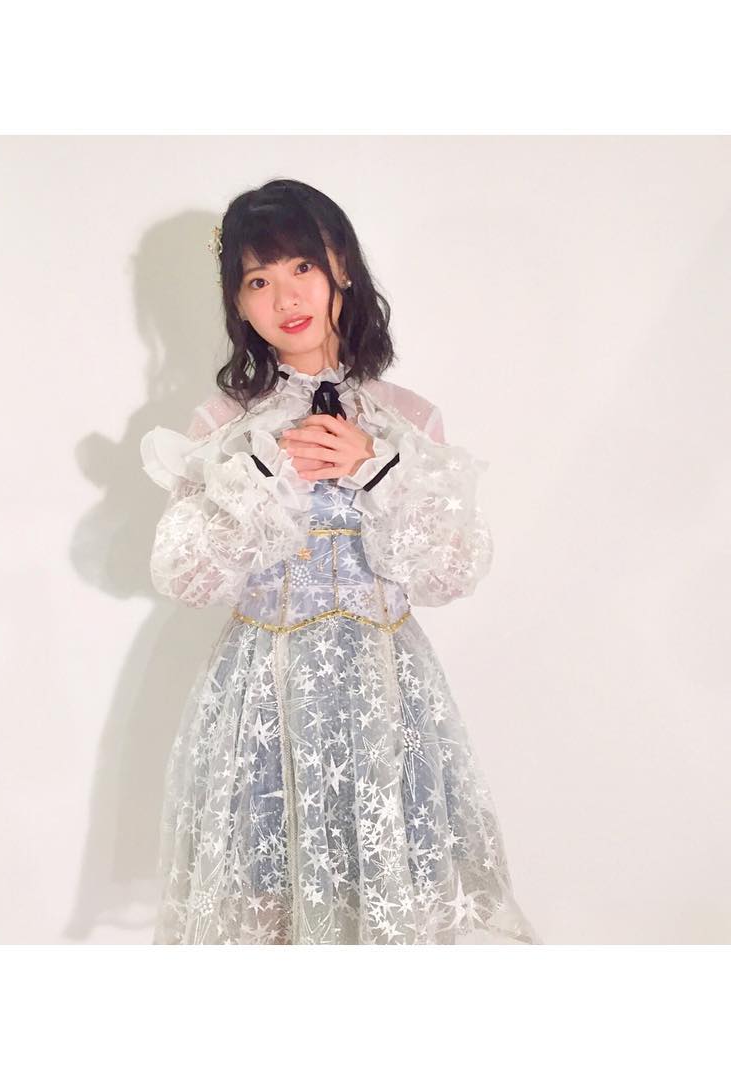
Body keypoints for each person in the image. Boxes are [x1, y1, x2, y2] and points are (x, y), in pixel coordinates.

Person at [139, 178, 540, 945]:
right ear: (238, 303)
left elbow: (452, 571)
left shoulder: (406, 417)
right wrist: (260, 473)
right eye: (257, 280)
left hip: (386, 702)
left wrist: (377, 469)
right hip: (263, 703)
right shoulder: (222, 426)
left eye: (301, 267)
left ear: (341, 269)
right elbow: (185, 577)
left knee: (388, 907)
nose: (285, 296)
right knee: (269, 917)